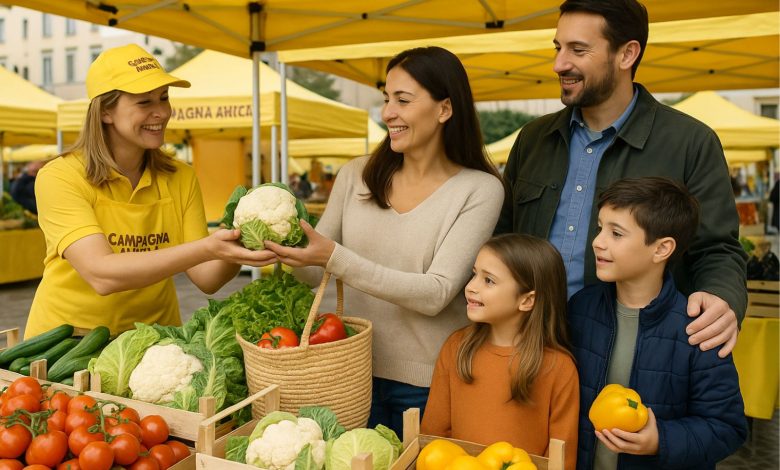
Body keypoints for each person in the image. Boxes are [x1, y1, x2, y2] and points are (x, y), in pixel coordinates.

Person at [265, 46, 505, 435]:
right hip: (346, 370)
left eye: (403, 100)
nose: (387, 112)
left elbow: (436, 293)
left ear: (444, 109)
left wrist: (333, 257)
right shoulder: (356, 175)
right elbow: (314, 274)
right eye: (386, 99)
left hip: (428, 383)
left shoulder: (480, 189)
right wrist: (285, 250)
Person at [495, 0, 746, 358]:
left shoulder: (691, 142)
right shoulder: (532, 139)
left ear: (627, 54)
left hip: (637, 353)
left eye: (578, 50)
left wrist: (723, 299)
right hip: (530, 347)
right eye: (558, 47)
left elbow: (717, 249)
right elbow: (503, 238)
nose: (559, 64)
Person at [25, 44, 276, 339]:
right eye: (144, 103)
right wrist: (208, 247)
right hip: (68, 341)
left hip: (155, 340)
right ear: (106, 111)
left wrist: (241, 241)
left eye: (164, 98)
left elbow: (207, 277)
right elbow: (101, 274)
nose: (161, 112)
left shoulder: (180, 176)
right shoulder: (60, 176)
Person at [569, 177, 747, 470]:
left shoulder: (698, 329)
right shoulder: (580, 309)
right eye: (600, 228)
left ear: (662, 249)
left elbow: (727, 428)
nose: (597, 242)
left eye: (616, 233)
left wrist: (660, 440)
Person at [421, 234, 579, 470]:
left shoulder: (560, 368)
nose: (471, 286)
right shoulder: (456, 348)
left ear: (527, 300)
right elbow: (433, 438)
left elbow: (562, 460)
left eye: (489, 281)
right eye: (475, 274)